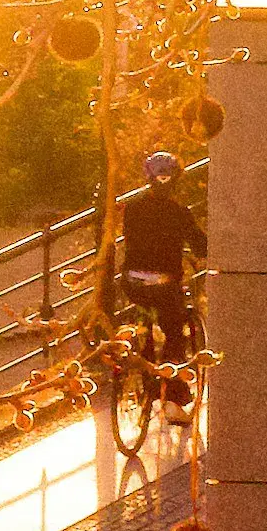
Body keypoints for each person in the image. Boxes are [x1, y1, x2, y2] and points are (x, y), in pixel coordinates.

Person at [102, 149, 207, 370]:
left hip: (132, 281)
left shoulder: (132, 208)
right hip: (164, 285)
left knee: (139, 314)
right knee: (174, 330)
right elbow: (200, 245)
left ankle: (143, 351)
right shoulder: (180, 212)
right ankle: (173, 387)